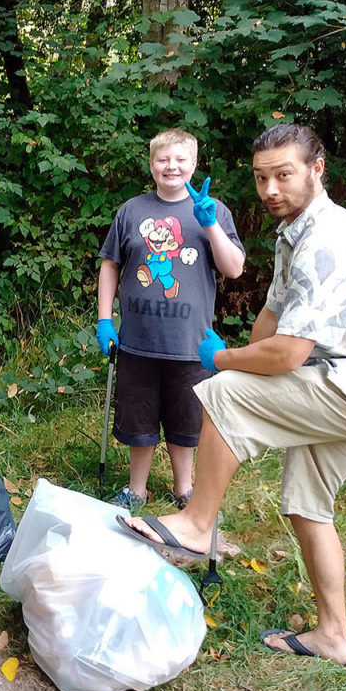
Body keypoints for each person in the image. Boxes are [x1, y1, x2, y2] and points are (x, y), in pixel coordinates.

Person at [116, 124, 346, 665]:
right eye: (262, 178)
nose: (271, 189)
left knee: (224, 391)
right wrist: (243, 353)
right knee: (308, 504)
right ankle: (334, 635)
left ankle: (195, 523)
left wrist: (225, 362)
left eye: (284, 174)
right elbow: (272, 319)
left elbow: (286, 356)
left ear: (316, 169)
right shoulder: (295, 233)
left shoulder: (327, 239)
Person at [97, 128, 245, 509]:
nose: (171, 166)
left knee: (186, 421)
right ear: (152, 165)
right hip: (137, 340)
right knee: (139, 420)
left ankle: (184, 490)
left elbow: (234, 269)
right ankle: (137, 489)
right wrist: (104, 319)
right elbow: (110, 265)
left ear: (194, 164)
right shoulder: (132, 210)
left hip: (191, 344)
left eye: (180, 159)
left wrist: (209, 223)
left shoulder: (214, 211)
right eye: (163, 159)